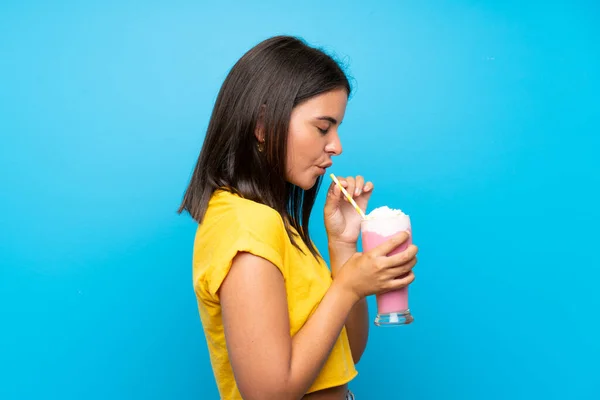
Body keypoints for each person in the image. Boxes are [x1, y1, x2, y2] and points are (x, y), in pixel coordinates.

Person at [178, 35, 418, 400]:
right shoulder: (247, 225)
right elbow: (268, 394)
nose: (336, 145)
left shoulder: (277, 223)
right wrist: (348, 287)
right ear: (261, 125)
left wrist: (342, 247)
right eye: (323, 128)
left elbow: (347, 353)